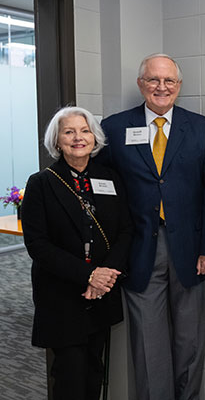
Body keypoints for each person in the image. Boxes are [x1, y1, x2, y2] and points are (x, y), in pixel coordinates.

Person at [99, 53, 205, 400]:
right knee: (147, 343)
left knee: (190, 341)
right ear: (141, 84)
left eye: (169, 81)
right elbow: (104, 189)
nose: (161, 87)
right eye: (153, 80)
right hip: (138, 249)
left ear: (179, 86)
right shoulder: (114, 128)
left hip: (190, 250)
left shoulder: (200, 128)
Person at [21, 106, 132, 400]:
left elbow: (125, 232)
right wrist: (90, 276)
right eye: (69, 132)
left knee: (95, 371)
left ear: (94, 138)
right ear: (57, 141)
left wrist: (105, 277)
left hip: (101, 295)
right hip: (61, 296)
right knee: (70, 376)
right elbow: (38, 245)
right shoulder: (41, 183)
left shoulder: (110, 178)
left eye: (84, 131)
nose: (78, 138)